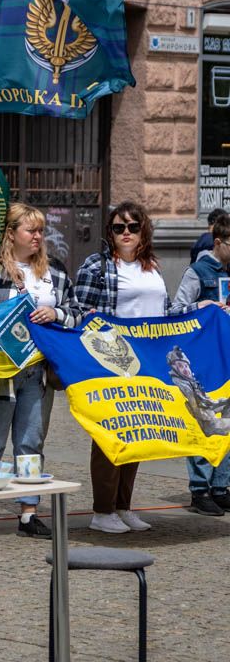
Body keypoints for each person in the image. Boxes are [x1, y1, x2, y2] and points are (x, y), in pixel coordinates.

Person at [74, 203, 206, 525]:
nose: (126, 233)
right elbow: (77, 310)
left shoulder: (152, 267)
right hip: (112, 360)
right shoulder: (97, 266)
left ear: (143, 230)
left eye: (133, 227)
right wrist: (90, 320)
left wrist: (201, 306)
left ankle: (123, 507)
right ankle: (101, 511)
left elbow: (163, 314)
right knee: (110, 433)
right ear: (110, 232)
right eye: (119, 228)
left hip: (147, 362)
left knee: (136, 432)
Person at [0, 202, 80, 539]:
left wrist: (56, 315)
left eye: (41, 230)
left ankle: (28, 512)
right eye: (31, 230)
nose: (39, 236)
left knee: (30, 443)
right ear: (11, 235)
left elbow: (77, 314)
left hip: (36, 372)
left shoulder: (54, 272)